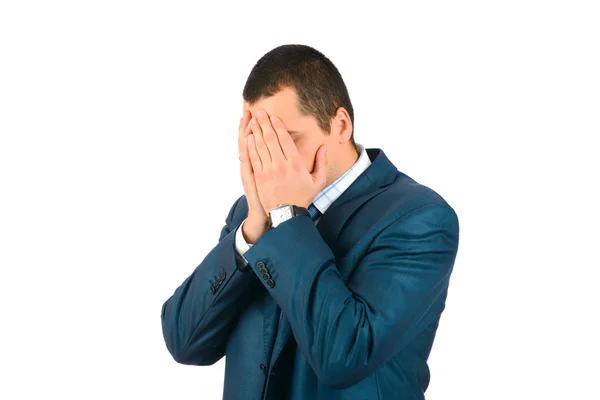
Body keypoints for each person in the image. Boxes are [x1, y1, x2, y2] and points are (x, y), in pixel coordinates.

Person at [161, 44, 460, 400]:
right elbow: (185, 342)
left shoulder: (419, 218)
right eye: (259, 143)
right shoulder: (249, 213)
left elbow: (344, 356)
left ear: (341, 125)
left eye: (285, 141)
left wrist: (287, 218)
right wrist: (252, 231)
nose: (270, 162)